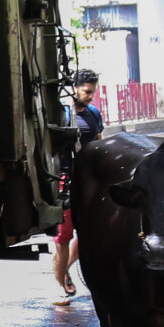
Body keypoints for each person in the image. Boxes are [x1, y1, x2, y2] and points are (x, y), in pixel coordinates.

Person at [52, 69, 104, 304]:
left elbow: (100, 145)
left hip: (89, 182)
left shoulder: (94, 114)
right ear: (75, 88)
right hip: (66, 181)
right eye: (86, 91)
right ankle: (60, 283)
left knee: (88, 233)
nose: (90, 96)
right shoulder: (62, 114)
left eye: (93, 92)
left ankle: (65, 270)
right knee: (64, 238)